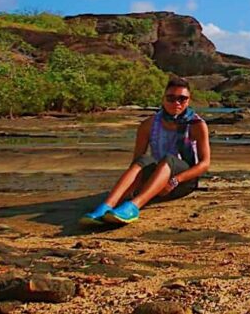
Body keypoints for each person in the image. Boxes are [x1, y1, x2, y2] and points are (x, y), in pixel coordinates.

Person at [81, 77, 210, 225]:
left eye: (182, 99)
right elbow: (137, 160)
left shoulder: (196, 124)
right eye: (171, 98)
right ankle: (106, 206)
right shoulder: (148, 125)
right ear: (163, 99)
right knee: (143, 160)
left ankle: (133, 207)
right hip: (158, 178)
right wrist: (132, 187)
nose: (177, 103)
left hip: (182, 181)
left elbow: (204, 164)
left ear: (189, 100)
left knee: (169, 159)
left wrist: (175, 180)